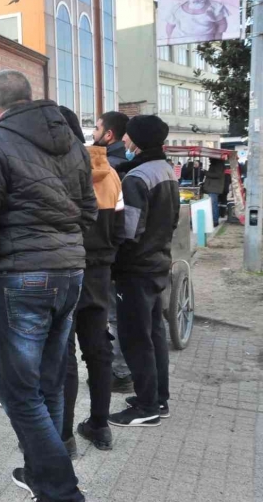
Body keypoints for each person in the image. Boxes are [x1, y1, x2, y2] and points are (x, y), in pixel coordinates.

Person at [0, 70, 96, 502]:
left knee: (17, 392)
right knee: (48, 384)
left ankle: (60, 489)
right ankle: (42, 475)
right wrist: (66, 247)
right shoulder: (71, 141)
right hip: (68, 272)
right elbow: (88, 209)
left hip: (20, 277)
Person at [58, 106, 124, 455]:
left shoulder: (60, 174)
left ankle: (64, 436)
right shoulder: (111, 175)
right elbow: (123, 230)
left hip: (66, 269)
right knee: (99, 351)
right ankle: (100, 426)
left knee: (64, 355)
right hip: (100, 272)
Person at [110, 115, 179, 427]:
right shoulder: (166, 170)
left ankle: (146, 407)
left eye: (127, 137)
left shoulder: (137, 178)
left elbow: (129, 230)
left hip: (136, 270)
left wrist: (113, 259)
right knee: (154, 334)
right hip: (159, 264)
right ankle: (157, 398)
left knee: (136, 338)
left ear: (136, 141)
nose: (123, 141)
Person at [92, 110, 133, 393]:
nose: (93, 134)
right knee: (116, 315)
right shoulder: (128, 165)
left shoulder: (112, 168)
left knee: (110, 316)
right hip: (117, 253)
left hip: (104, 258)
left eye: (96, 128)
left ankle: (119, 372)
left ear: (108, 134)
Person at [202, 158, 226, 226]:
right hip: (213, 188)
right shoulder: (215, 164)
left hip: (214, 188)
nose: (209, 159)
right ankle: (213, 220)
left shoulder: (218, 165)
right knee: (213, 204)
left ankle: (215, 220)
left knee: (213, 204)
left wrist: (206, 172)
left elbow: (217, 175)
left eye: (210, 158)